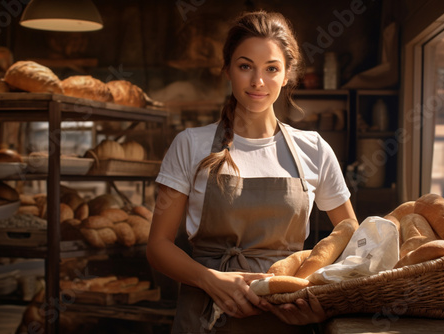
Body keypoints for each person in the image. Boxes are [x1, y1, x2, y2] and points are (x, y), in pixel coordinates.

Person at [147, 10, 357, 334]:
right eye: (245, 66)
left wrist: (320, 299)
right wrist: (211, 279)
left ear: (287, 74)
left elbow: (353, 240)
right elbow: (158, 246)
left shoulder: (313, 149)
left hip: (287, 320)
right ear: (228, 70)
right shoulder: (189, 145)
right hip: (205, 316)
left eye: (271, 69)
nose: (258, 81)